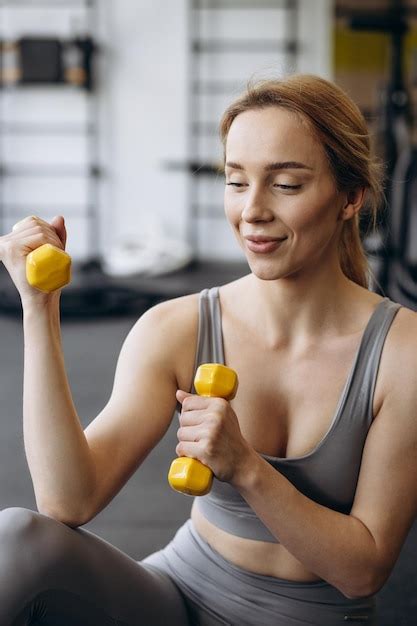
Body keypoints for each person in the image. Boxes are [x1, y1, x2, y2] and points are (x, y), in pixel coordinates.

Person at [0, 73, 416, 626]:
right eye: (236, 181)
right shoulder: (176, 327)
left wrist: (246, 467)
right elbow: (68, 502)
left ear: (350, 198)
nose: (253, 211)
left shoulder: (402, 353)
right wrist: (39, 308)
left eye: (286, 185)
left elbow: (363, 570)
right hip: (176, 593)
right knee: (17, 540)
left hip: (313, 616)